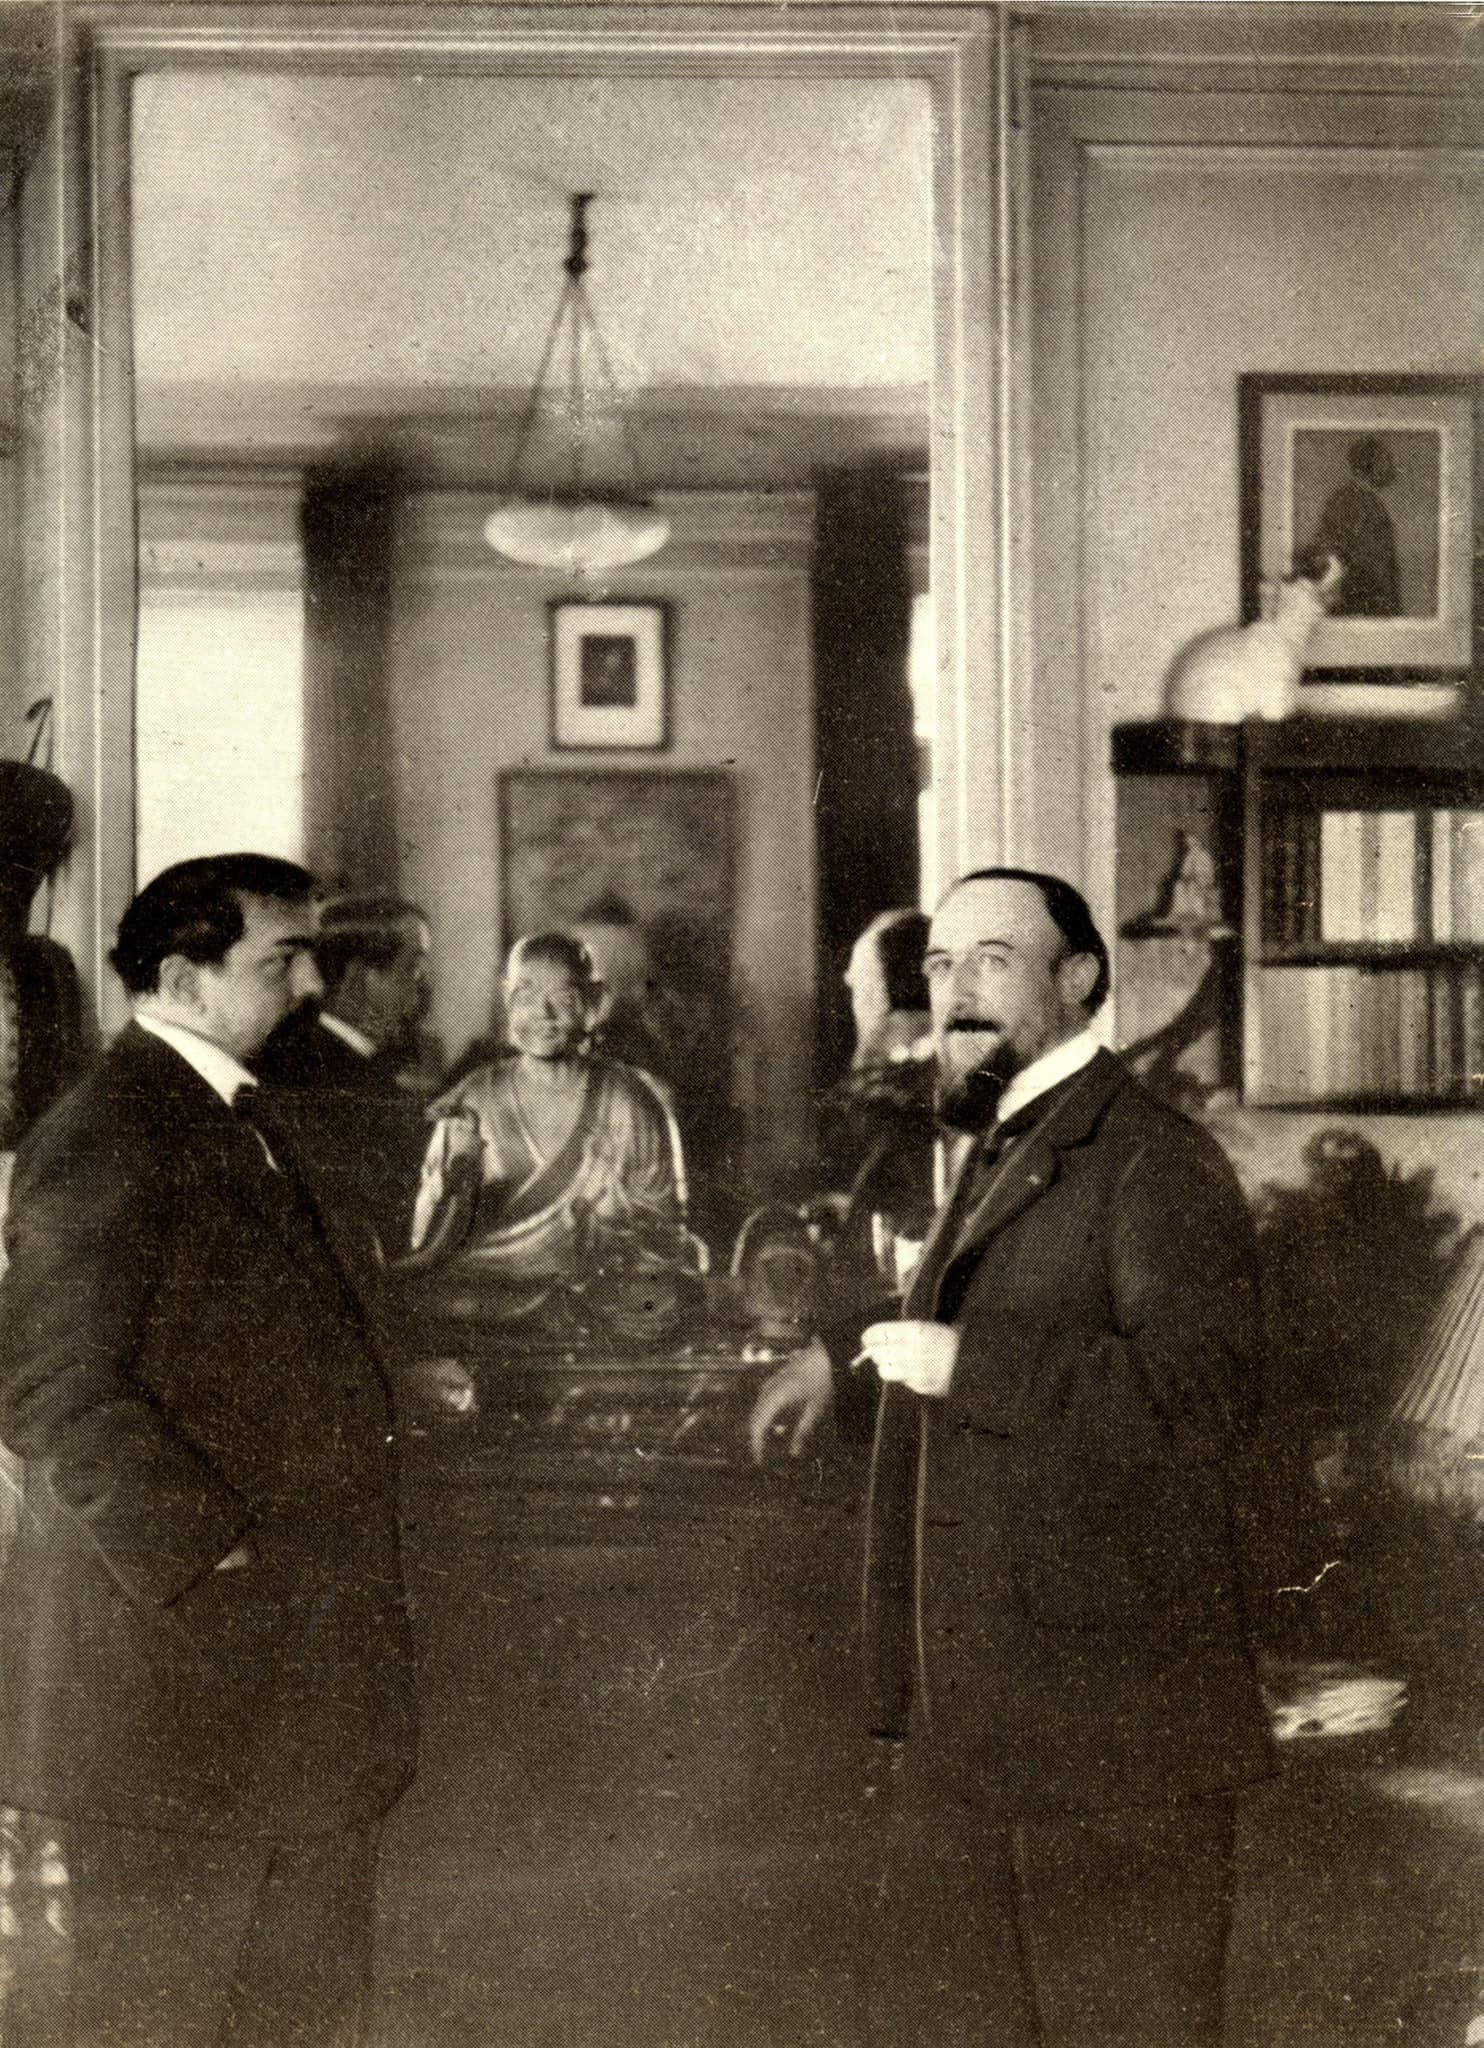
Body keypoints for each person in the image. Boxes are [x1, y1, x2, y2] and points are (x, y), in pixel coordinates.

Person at [757, 867, 1271, 2047]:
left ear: (1078, 976)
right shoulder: (1018, 1133)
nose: (955, 991)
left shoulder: (1150, 1158)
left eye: (991, 959)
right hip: (1008, 1715)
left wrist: (964, 1362)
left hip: (1112, 1731)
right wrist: (841, 1358)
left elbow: (1201, 1400)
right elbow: (997, 1297)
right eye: (940, 964)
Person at [0, 853, 417, 2048]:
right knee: (167, 2013)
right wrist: (214, 1551)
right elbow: (47, 1382)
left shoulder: (233, 1107)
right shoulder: (111, 1126)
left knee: (291, 2007)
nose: (310, 985)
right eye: (282, 959)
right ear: (184, 977)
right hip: (179, 1680)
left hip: (277, 1679)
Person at [414, 931, 682, 1284]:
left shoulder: (628, 1100)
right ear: (507, 1000)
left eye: (563, 998)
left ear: (594, 1002)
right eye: (526, 996)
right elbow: (428, 1236)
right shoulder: (475, 1098)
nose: (543, 1013)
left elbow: (664, 1234)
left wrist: (605, 1223)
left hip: (596, 1293)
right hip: (489, 1289)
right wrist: (454, 1187)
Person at [255, 890, 436, 1263]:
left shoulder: (300, 1057)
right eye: (412, 970)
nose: (420, 993)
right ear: (357, 979)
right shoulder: (334, 1085)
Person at [1306, 433, 1401, 617]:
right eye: (1385, 460)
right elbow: (1331, 553)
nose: (1391, 466)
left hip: (1375, 601)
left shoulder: (1371, 502)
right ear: (1370, 464)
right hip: (1358, 603)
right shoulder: (1346, 500)